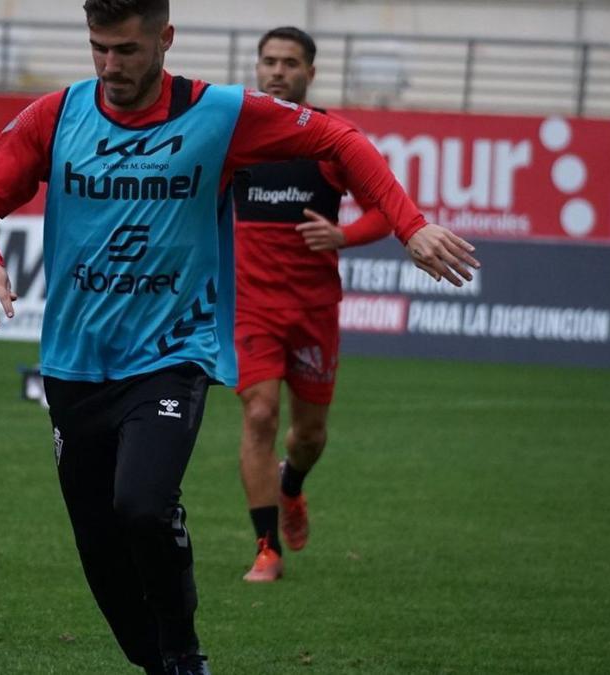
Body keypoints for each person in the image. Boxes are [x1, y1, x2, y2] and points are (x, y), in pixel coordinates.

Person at [0, 2, 479, 673]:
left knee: (142, 504)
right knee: (99, 544)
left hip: (172, 353)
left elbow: (339, 138)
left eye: (128, 50)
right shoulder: (56, 115)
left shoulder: (221, 113)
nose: (111, 66)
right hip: (75, 363)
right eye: (99, 49)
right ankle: (159, 664)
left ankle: (185, 652)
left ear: (165, 39)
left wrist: (410, 225)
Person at [233, 27, 391, 582]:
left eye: (290, 63)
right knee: (258, 414)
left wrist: (345, 236)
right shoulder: (233, 133)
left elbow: (383, 209)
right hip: (249, 306)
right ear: (257, 67)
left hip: (314, 309)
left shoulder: (331, 139)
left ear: (310, 74)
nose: (277, 71)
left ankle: (291, 486)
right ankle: (265, 549)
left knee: (309, 436)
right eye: (269, 61)